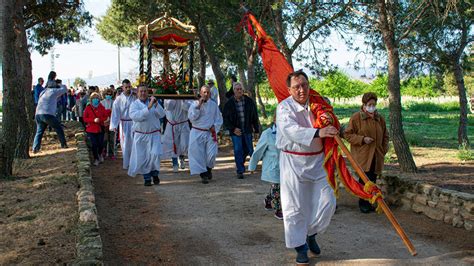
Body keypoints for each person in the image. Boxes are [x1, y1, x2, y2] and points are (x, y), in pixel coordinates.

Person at [276, 70, 338, 264]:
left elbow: (330, 120)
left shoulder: (319, 104)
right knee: (294, 206)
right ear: (289, 90)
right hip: (293, 162)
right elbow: (291, 130)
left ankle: (311, 233)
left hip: (318, 161)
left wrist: (335, 127)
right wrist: (320, 132)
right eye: (296, 87)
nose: (301, 90)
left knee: (328, 202)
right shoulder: (284, 108)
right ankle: (300, 246)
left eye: (304, 85)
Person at [344, 92, 389, 213]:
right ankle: (363, 203)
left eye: (374, 104)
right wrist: (362, 139)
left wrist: (384, 149)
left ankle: (370, 201)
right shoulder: (356, 118)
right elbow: (347, 135)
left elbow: (385, 135)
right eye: (369, 104)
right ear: (364, 105)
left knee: (373, 179)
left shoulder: (380, 119)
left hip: (376, 155)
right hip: (363, 155)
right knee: (365, 180)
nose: (372, 107)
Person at [128, 85, 166, 186]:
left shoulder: (154, 103)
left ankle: (155, 173)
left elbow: (162, 115)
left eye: (145, 91)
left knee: (155, 155)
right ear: (137, 93)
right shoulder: (134, 105)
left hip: (154, 134)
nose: (143, 93)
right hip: (141, 136)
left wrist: (157, 104)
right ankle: (147, 178)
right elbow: (136, 117)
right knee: (143, 157)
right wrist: (148, 107)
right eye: (141, 91)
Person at [222, 82, 260, 179]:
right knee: (238, 150)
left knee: (248, 149)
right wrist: (233, 129)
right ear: (233, 91)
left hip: (247, 129)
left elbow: (254, 116)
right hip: (236, 131)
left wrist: (256, 130)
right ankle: (240, 170)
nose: (239, 91)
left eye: (240, 89)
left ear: (243, 90)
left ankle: (240, 163)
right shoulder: (229, 104)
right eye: (237, 89)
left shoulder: (249, 101)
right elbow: (225, 119)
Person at [248, 114, 282, 220]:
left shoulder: (290, 133)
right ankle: (279, 209)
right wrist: (252, 166)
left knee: (283, 187)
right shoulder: (267, 134)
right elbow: (258, 151)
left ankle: (268, 199)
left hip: (287, 167)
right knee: (277, 187)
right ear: (274, 120)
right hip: (273, 166)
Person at [188, 85, 223, 184]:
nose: (206, 94)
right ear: (200, 93)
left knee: (212, 154)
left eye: (208, 92)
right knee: (198, 154)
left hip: (210, 133)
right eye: (204, 92)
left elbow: (219, 119)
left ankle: (208, 168)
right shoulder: (194, 104)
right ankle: (203, 174)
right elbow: (192, 118)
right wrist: (198, 106)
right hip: (197, 132)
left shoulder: (213, 105)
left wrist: (214, 127)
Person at [32, 71, 68, 153]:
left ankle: (35, 148)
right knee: (58, 128)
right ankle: (63, 144)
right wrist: (59, 84)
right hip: (47, 114)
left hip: (38, 114)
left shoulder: (43, 92)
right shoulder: (53, 91)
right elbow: (65, 89)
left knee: (39, 132)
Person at [109, 79, 136, 170]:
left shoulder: (135, 97)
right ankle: (126, 163)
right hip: (124, 123)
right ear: (122, 87)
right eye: (126, 87)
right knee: (125, 144)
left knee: (134, 143)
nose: (128, 89)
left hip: (134, 122)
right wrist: (114, 125)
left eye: (129, 86)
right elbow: (115, 113)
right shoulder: (118, 99)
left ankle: (134, 163)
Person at [162, 99, 192, 172]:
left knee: (184, 144)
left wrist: (183, 100)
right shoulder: (168, 96)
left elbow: (189, 108)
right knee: (173, 144)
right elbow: (169, 107)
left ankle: (182, 157)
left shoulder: (187, 96)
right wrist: (174, 98)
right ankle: (175, 163)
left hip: (183, 123)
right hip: (172, 124)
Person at [83, 92, 108, 166]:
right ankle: (96, 158)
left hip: (100, 129)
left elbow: (105, 116)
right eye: (94, 98)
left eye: (97, 98)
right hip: (91, 130)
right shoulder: (88, 108)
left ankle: (100, 154)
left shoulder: (101, 107)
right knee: (94, 144)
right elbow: (85, 118)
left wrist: (100, 120)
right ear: (91, 99)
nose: (95, 99)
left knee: (100, 144)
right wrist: (93, 120)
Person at [101, 88, 116, 160]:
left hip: (112, 123)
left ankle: (111, 153)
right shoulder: (102, 102)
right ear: (104, 94)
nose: (108, 95)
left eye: (110, 94)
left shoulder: (114, 102)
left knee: (112, 139)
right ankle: (103, 151)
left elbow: (115, 112)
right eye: (107, 94)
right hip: (104, 123)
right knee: (105, 139)